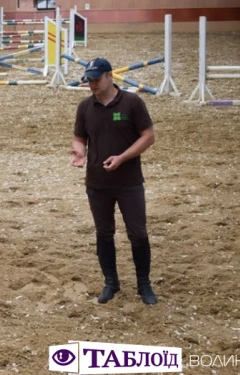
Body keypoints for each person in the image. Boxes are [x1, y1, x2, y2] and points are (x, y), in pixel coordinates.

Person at [70, 57, 158, 305]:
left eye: (97, 78)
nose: (92, 83)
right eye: (89, 79)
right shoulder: (85, 107)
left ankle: (144, 284)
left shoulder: (132, 102)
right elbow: (79, 138)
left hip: (129, 181)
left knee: (138, 234)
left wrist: (122, 158)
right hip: (97, 183)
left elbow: (148, 136)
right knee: (104, 233)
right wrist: (79, 151)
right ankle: (111, 282)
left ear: (110, 76)